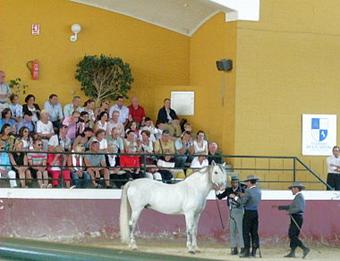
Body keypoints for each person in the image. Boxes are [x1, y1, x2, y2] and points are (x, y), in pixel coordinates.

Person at [230, 175, 261, 258]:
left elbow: (242, 202)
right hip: (255, 212)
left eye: (247, 182)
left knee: (246, 232)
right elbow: (250, 199)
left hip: (248, 213)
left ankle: (246, 251)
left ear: (250, 182)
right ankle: (254, 250)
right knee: (254, 232)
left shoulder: (248, 191)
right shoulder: (258, 191)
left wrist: (235, 197)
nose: (246, 183)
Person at [278, 182, 310, 258]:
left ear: (296, 188)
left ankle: (304, 248)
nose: (291, 190)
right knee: (293, 235)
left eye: (292, 189)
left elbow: (299, 208)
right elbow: (292, 206)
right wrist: (281, 207)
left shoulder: (299, 197)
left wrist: (290, 211)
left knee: (292, 235)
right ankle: (292, 252)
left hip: (297, 217)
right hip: (296, 217)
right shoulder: (298, 196)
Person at [216, 176, 245, 255]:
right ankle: (234, 248)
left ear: (238, 183)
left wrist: (235, 197)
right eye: (233, 182)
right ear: (231, 183)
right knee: (232, 231)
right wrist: (217, 191)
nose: (234, 184)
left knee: (240, 230)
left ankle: (242, 247)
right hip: (231, 211)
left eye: (236, 182)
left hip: (239, 211)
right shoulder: (228, 190)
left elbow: (242, 202)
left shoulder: (242, 190)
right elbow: (220, 197)